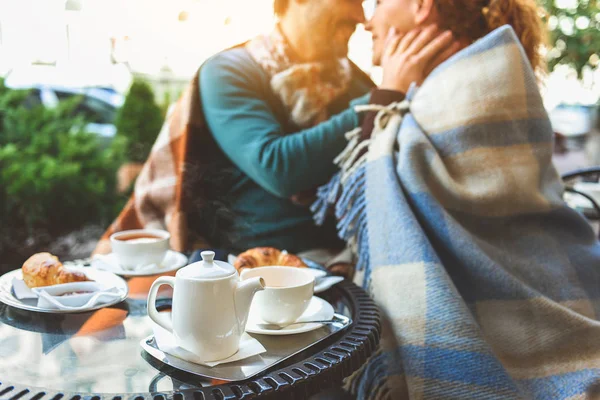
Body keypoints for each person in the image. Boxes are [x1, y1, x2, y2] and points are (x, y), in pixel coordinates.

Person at [313, 0, 600, 399]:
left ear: (420, 6)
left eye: (378, 3)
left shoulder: (449, 100)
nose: (367, 20)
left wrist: (387, 93)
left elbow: (359, 191)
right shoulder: (466, 85)